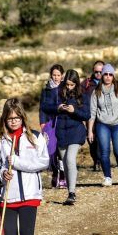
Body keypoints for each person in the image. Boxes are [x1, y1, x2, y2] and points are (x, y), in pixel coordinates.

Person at [0, 98, 49, 235]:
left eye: (17, 117)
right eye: (10, 118)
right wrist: (3, 173)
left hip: (30, 194)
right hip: (8, 196)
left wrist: (18, 163)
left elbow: (43, 162)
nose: (13, 121)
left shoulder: (35, 137)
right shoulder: (0, 140)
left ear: (22, 117)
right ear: (5, 119)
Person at [44, 70, 91, 206]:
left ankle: (72, 192)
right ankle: (70, 193)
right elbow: (46, 107)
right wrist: (57, 108)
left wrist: (74, 111)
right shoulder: (58, 93)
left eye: (72, 85)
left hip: (76, 132)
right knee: (65, 163)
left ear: (76, 83)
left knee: (70, 159)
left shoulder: (83, 95)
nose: (69, 87)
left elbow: (87, 115)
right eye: (67, 85)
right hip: (61, 132)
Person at [88, 64, 118, 187]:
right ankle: (107, 177)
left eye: (110, 74)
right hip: (102, 125)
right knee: (104, 152)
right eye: (105, 74)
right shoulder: (96, 91)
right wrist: (90, 131)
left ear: (113, 76)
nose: (108, 77)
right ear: (102, 76)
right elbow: (92, 112)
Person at [39, 64, 66, 188]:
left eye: (58, 75)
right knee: (51, 150)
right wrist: (42, 122)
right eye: (54, 75)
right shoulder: (46, 90)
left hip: (62, 122)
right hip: (49, 123)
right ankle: (55, 173)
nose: (56, 78)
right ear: (51, 75)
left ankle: (63, 176)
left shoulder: (66, 88)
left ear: (62, 76)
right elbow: (42, 108)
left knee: (61, 150)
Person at [80, 60, 104, 171]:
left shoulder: (109, 81)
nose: (99, 74)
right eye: (96, 72)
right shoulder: (86, 83)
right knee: (92, 140)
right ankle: (96, 161)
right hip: (90, 116)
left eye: (101, 71)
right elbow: (78, 97)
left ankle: (101, 161)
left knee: (102, 139)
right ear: (93, 71)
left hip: (104, 116)